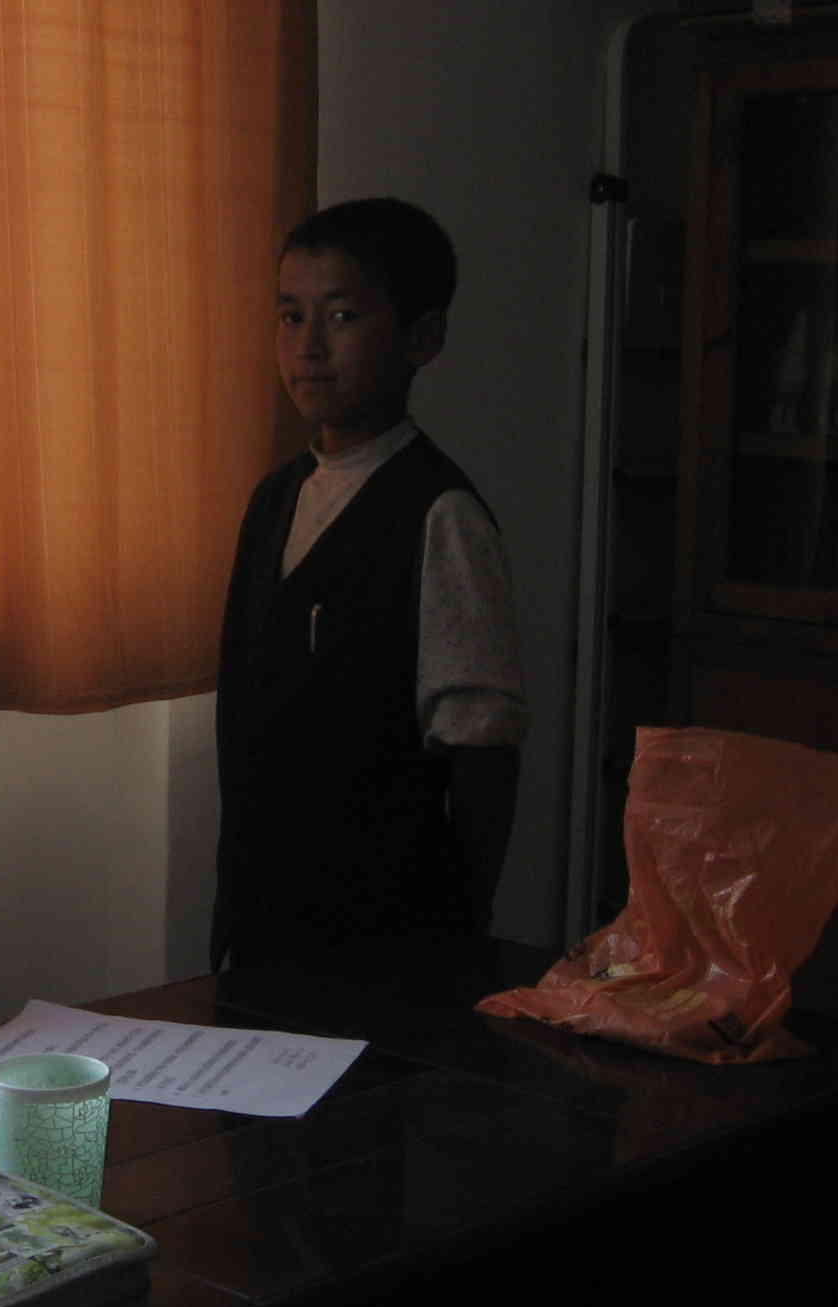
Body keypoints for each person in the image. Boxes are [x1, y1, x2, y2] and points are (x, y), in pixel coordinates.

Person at [212, 197, 527, 971]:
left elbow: (482, 747)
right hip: (263, 915)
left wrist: (462, 929)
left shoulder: (439, 513)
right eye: (290, 316)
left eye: (343, 317)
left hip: (387, 936)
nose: (308, 347)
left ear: (423, 337)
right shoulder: (275, 499)